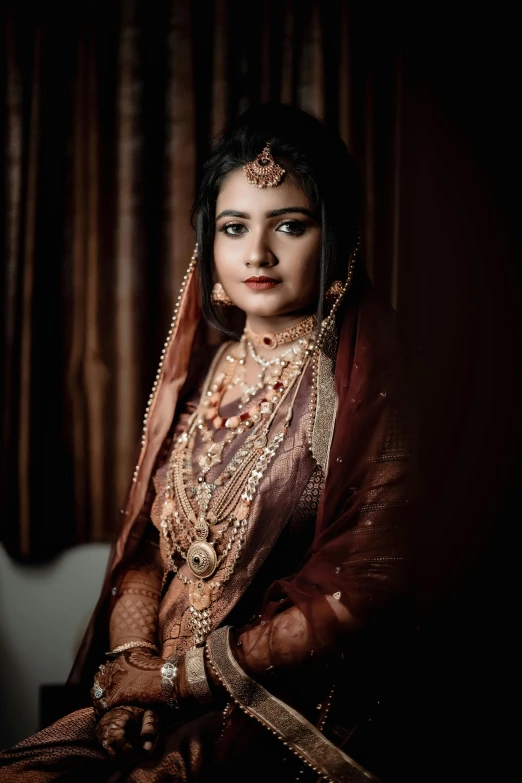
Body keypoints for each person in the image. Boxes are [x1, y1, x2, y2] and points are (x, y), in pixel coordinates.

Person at [0, 104, 418, 782]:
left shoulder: (369, 389)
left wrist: (176, 680)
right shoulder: (210, 373)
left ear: (337, 239)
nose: (257, 252)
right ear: (210, 248)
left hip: (276, 707)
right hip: (153, 697)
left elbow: (367, 586)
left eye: (289, 224)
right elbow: (145, 549)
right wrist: (130, 668)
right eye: (233, 227)